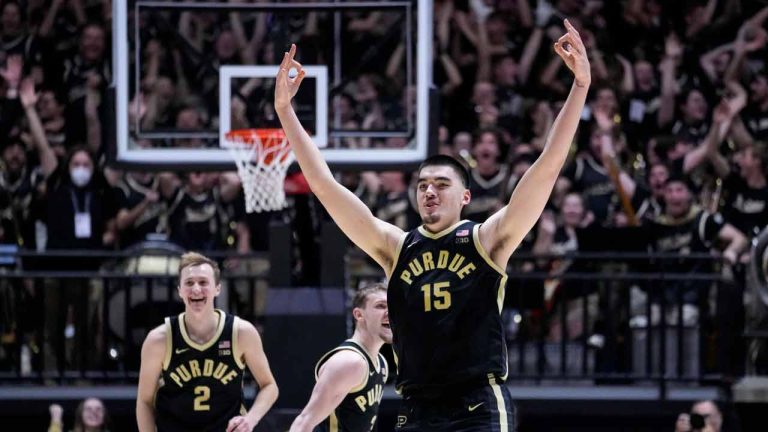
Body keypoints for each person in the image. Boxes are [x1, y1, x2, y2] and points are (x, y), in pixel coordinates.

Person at [275, 18, 590, 431]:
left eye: (441, 184)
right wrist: (285, 111)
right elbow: (324, 185)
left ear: (465, 197)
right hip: (417, 406)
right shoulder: (395, 246)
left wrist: (579, 88)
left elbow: (547, 169)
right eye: (422, 185)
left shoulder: (485, 240)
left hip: (477, 401)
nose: (429, 192)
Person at [136, 252, 278, 432]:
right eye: (189, 283)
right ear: (179, 290)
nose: (196, 289)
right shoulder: (159, 339)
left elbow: (270, 386)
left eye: (203, 282)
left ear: (217, 288)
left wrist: (250, 419)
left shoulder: (241, 332)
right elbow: (144, 400)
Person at [289, 284, 391, 432]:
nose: (389, 312)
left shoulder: (381, 363)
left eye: (392, 306)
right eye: (380, 306)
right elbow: (303, 423)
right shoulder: (350, 362)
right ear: (359, 315)